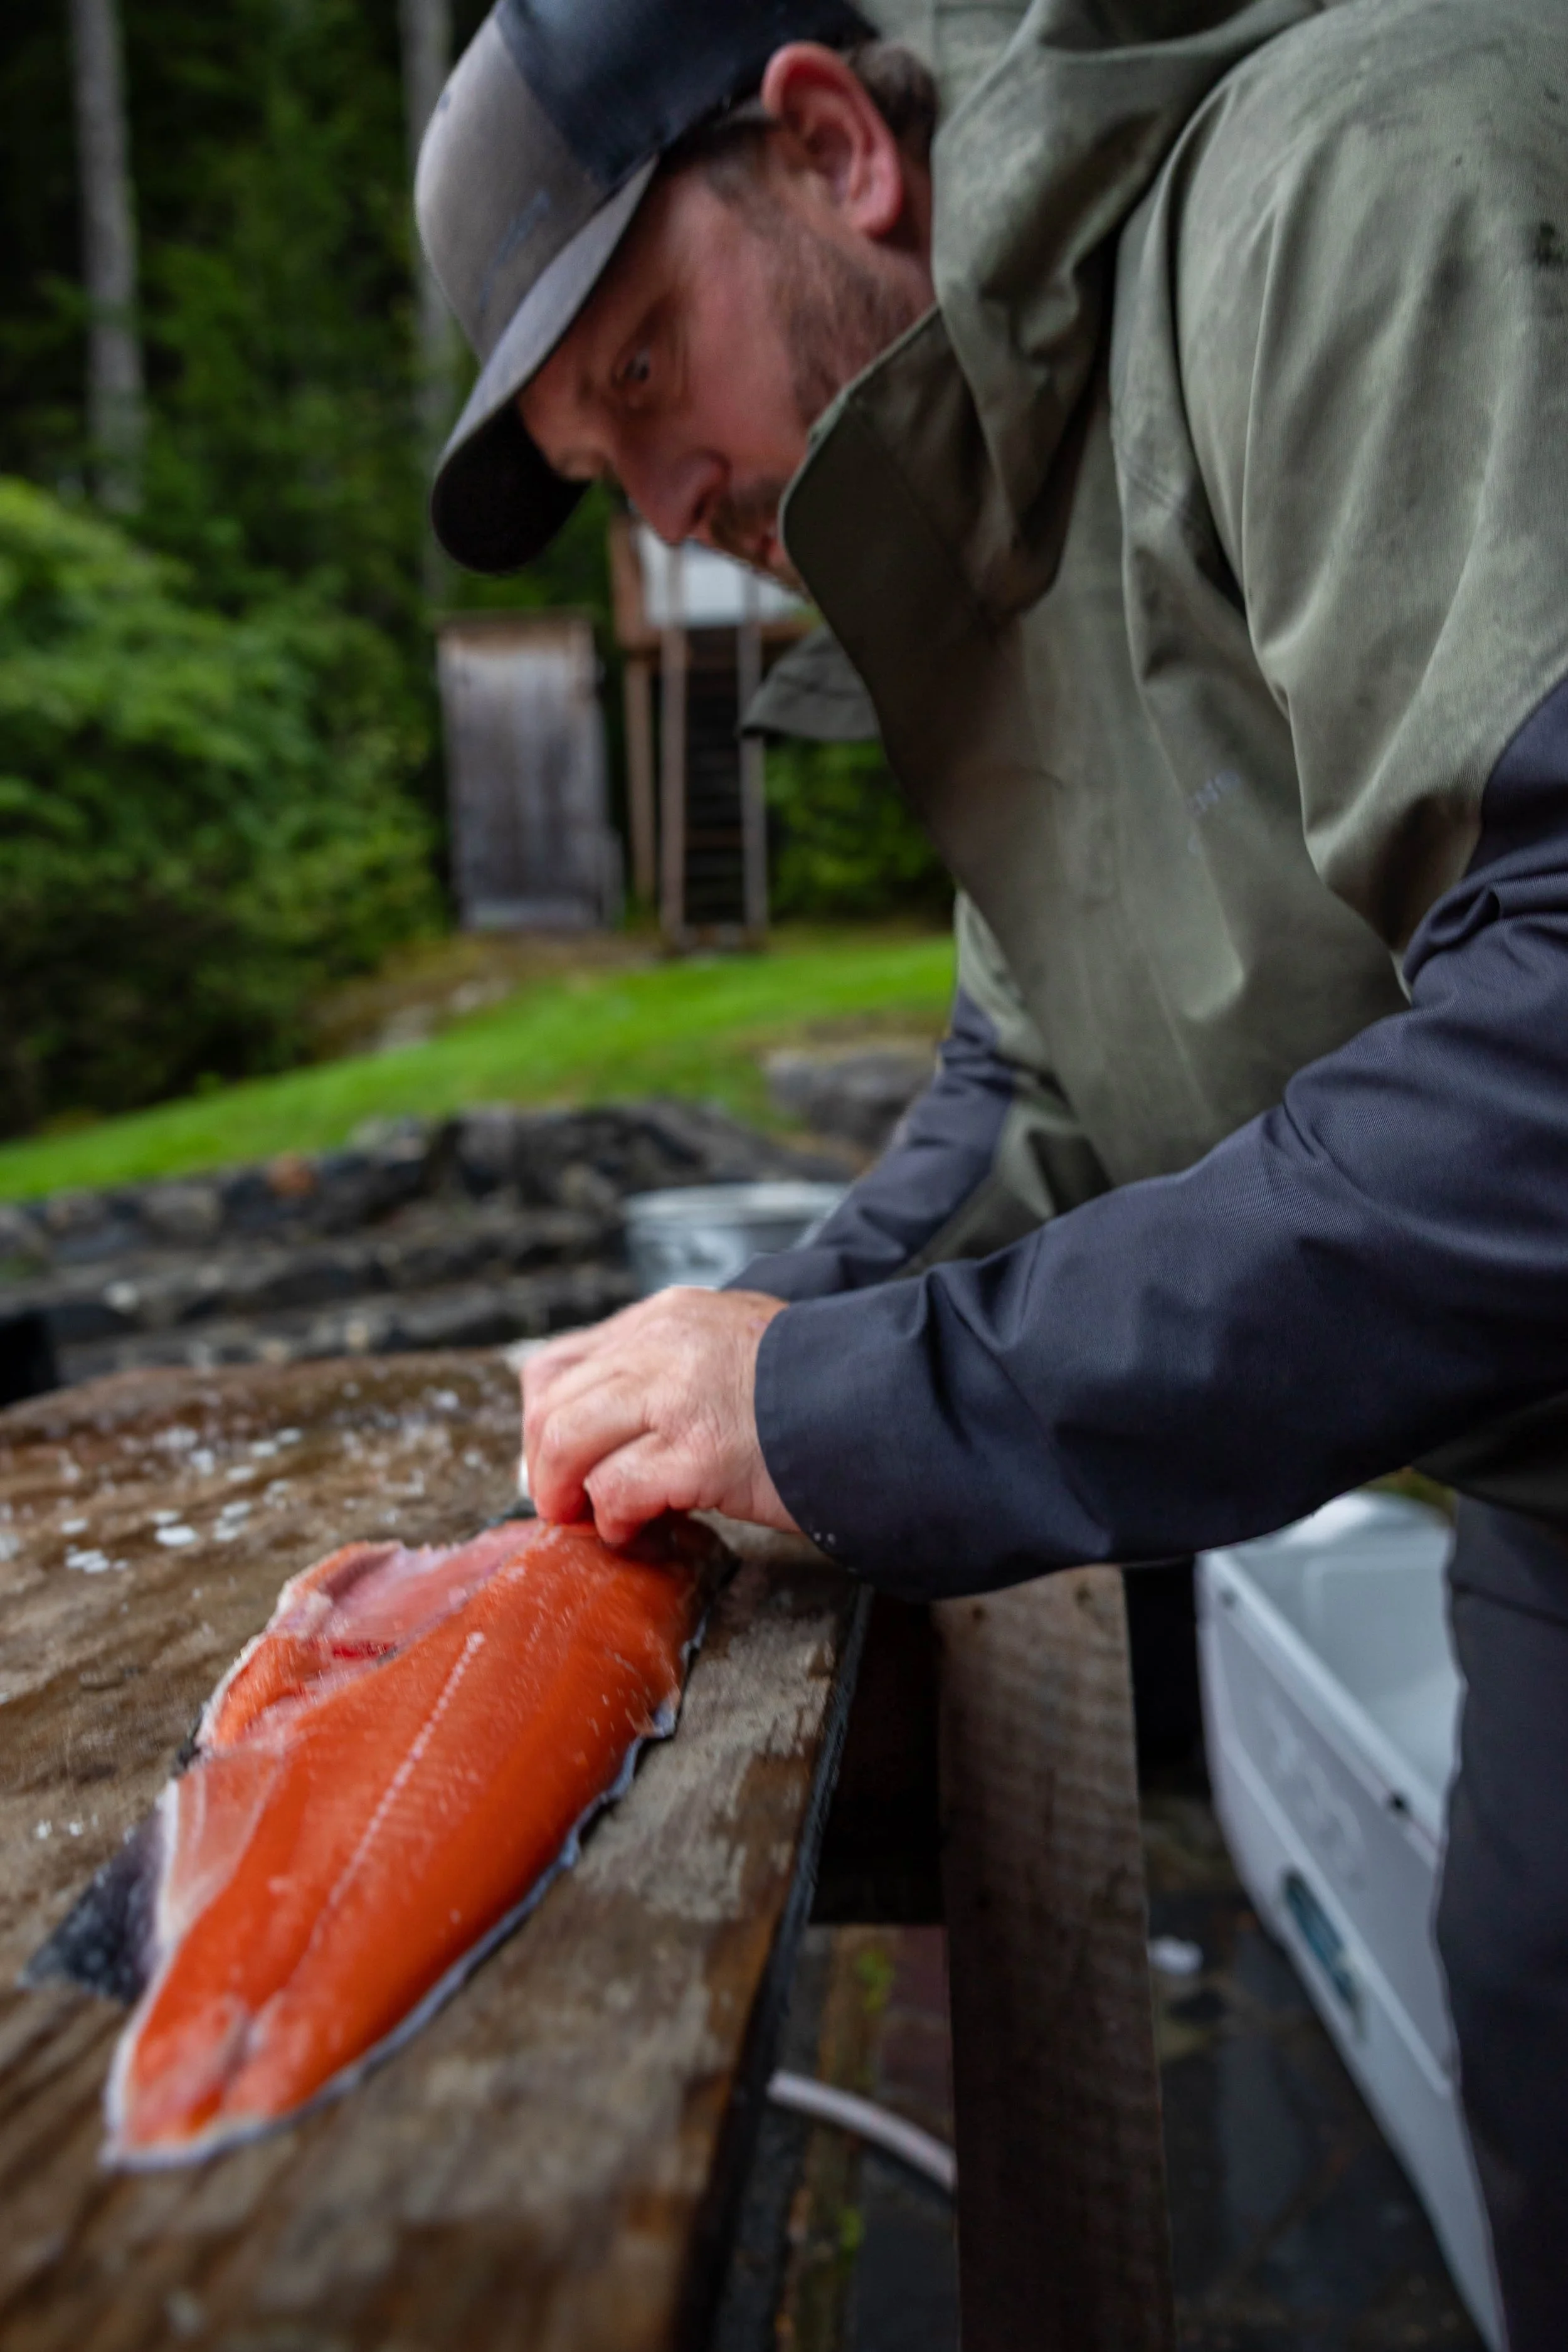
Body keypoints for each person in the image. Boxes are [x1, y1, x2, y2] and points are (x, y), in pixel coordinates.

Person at [415, 1, 1568, 2336]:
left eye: (643, 372)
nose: (666, 513)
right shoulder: (990, 565)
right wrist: (724, 1387)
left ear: (833, 144)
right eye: (593, 456)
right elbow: (1032, 1089)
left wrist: (860, 1408)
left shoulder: (1351, 184)